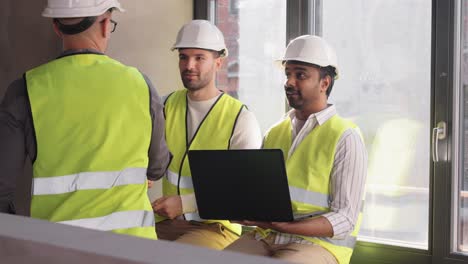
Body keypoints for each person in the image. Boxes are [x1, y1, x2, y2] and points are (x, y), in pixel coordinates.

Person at [0, 0, 171, 240]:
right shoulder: (141, 85)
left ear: (56, 27)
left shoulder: (24, 90)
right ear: (104, 24)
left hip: (59, 249)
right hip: (135, 248)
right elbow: (157, 167)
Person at [224, 35, 368, 264]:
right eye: (287, 74)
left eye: (300, 75)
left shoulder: (345, 136)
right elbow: (262, 196)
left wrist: (290, 226)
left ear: (325, 83)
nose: (289, 82)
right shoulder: (275, 132)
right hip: (267, 236)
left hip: (318, 246)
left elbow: (345, 219)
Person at [152, 20, 262, 250]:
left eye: (199, 57)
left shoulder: (240, 119)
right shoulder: (165, 105)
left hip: (215, 228)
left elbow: (245, 190)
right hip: (166, 222)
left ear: (218, 62)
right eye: (183, 57)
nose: (189, 65)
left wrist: (185, 203)